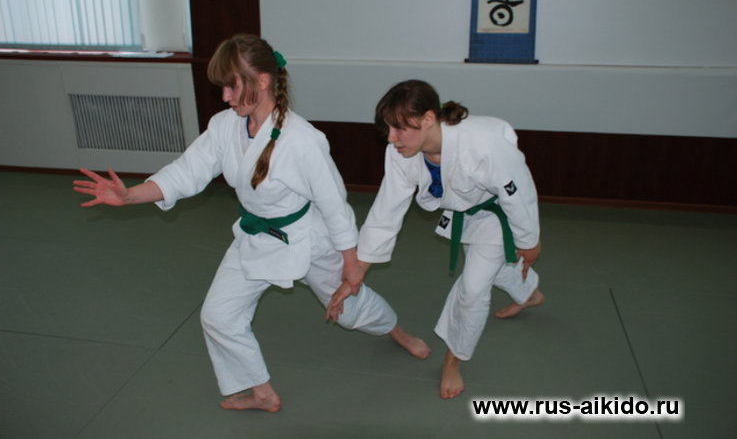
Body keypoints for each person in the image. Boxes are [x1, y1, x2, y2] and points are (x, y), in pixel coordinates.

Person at [73, 35, 430, 412]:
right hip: (255, 235)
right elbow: (186, 172)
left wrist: (352, 265)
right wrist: (129, 196)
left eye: (232, 86)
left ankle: (397, 331)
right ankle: (263, 392)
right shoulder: (224, 126)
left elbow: (334, 205)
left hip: (307, 239)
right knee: (218, 316)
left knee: (348, 309)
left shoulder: (303, 140)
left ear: (262, 81)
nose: (225, 96)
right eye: (223, 87)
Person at [328, 79, 544, 400]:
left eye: (400, 129)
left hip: (498, 213)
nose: (391, 138)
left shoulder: (482, 144)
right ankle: (528, 292)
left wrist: (529, 239)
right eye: (388, 129)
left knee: (473, 289)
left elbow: (518, 190)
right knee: (489, 266)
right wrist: (357, 270)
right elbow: (386, 210)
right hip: (462, 212)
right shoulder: (401, 152)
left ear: (428, 118)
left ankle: (453, 359)